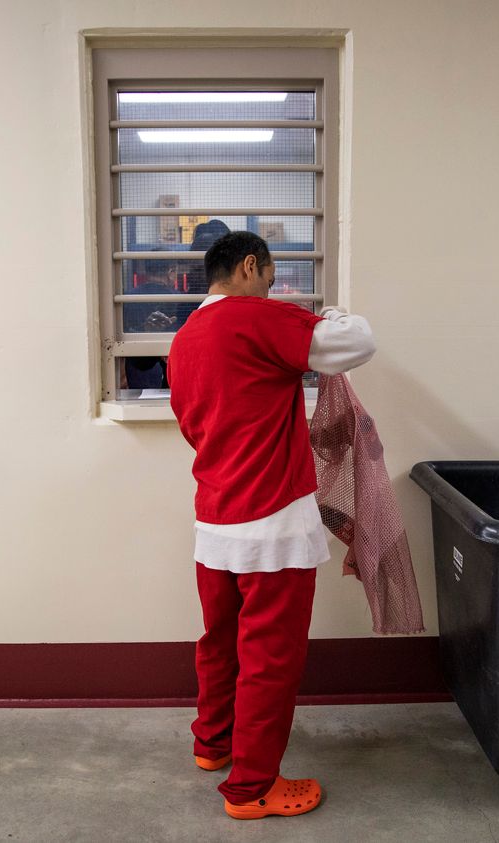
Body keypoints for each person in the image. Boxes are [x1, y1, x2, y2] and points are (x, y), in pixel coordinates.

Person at [167, 231, 376, 820]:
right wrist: (330, 313)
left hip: (215, 520)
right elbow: (356, 342)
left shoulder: (184, 342)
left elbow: (192, 423)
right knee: (270, 658)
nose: (272, 289)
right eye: (269, 276)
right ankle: (253, 788)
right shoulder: (253, 319)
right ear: (250, 266)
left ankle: (212, 745)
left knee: (220, 643)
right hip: (274, 524)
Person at [123, 255, 178, 390]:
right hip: (169, 378)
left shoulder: (128, 298)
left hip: (137, 374)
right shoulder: (179, 299)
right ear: (170, 272)